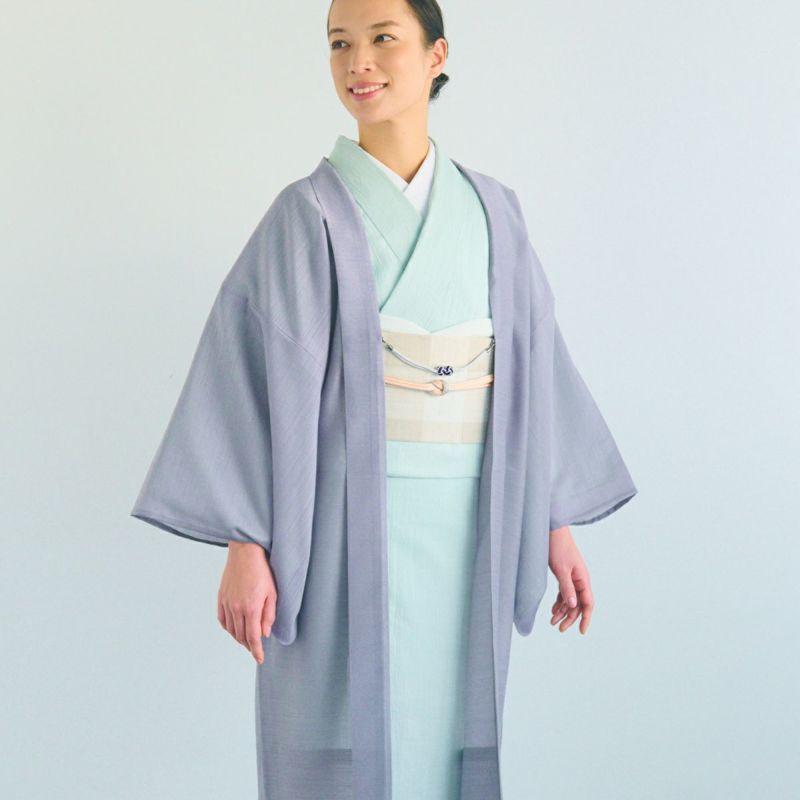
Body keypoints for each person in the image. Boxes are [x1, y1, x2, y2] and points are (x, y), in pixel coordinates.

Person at [130, 1, 638, 798]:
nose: (357, 62)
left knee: (448, 735)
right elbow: (248, 374)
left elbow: (535, 372)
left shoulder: (495, 212)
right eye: (339, 44)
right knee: (339, 732)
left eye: (381, 39)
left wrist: (553, 521)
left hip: (472, 519)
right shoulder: (308, 214)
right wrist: (245, 540)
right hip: (340, 522)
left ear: (437, 55)